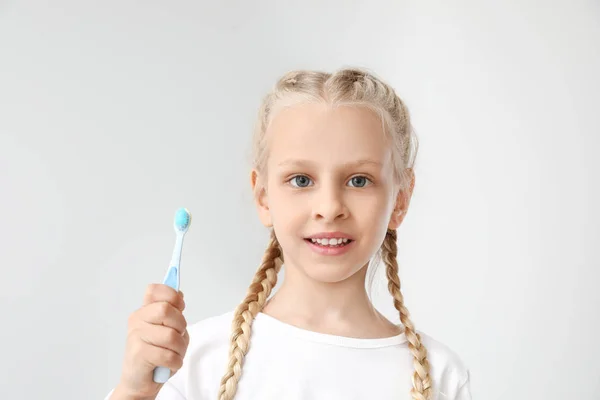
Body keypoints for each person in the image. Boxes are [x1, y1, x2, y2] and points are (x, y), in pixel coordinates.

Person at [106, 67, 472, 400]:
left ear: (399, 200)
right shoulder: (192, 359)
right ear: (263, 196)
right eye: (301, 180)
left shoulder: (441, 376)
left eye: (359, 180)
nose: (329, 207)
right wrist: (134, 392)